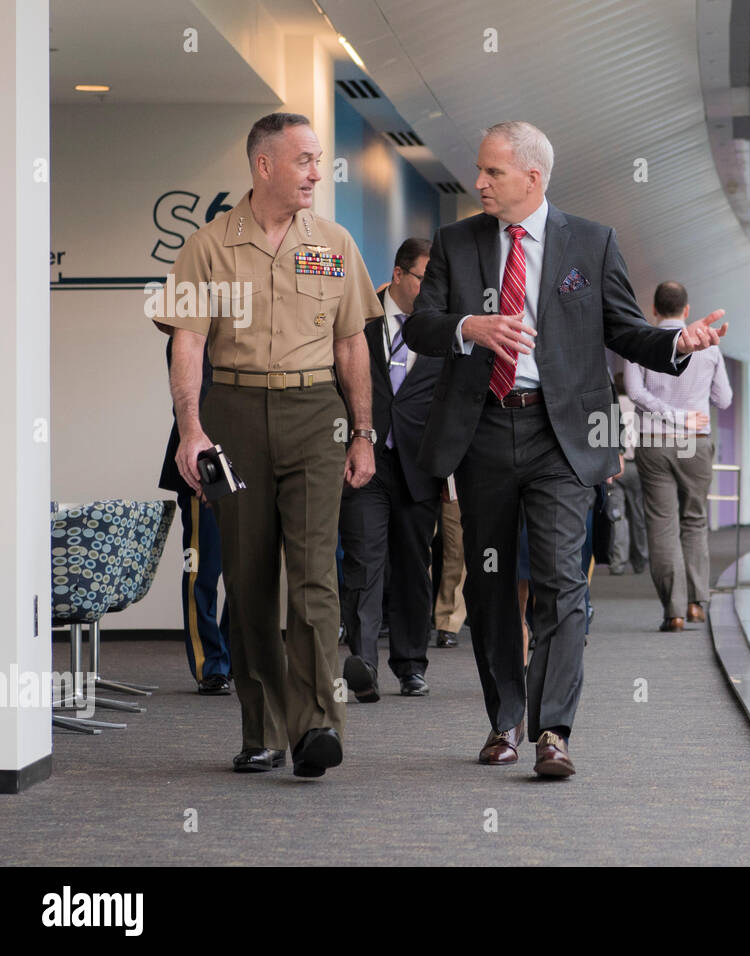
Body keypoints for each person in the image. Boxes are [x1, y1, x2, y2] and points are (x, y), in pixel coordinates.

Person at [402, 120, 727, 778]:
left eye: (493, 171)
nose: (480, 182)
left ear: (533, 177)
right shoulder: (456, 242)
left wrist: (675, 346)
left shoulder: (592, 242)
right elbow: (421, 325)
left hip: (563, 439)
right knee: (491, 586)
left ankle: (552, 730)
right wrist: (471, 325)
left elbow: (626, 330)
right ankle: (503, 721)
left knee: (559, 584)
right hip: (483, 432)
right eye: (480, 170)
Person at [157, 112, 380, 777]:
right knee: (249, 579)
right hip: (233, 414)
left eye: (319, 160)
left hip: (316, 413)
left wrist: (363, 432)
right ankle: (262, 729)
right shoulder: (208, 247)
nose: (318, 171)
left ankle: (316, 726)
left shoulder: (335, 243)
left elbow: (351, 346)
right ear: (264, 166)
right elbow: (187, 342)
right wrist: (192, 428)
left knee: (315, 579)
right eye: (305, 160)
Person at [338, 237, 442, 702]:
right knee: (363, 558)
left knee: (413, 565)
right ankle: (363, 664)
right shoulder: (360, 319)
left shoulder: (441, 331)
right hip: (366, 458)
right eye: (424, 277)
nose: (431, 286)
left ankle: (411, 663)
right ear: (398, 275)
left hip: (419, 464)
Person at [625, 281, 732, 630]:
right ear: (686, 310)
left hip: (655, 441)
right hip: (694, 442)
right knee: (695, 520)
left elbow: (635, 392)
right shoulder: (706, 344)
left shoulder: (640, 341)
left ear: (654, 310)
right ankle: (697, 602)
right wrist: (691, 408)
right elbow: (725, 399)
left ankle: (673, 611)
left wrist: (670, 413)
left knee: (661, 524)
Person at [157, 338, 231, 695]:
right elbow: (190, 407)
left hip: (253, 461)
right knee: (202, 571)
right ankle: (210, 666)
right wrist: (206, 472)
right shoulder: (189, 333)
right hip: (205, 467)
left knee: (250, 571)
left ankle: (233, 655)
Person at [607, 383, 648, 575]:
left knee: (618, 516)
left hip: (616, 466)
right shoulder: (640, 407)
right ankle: (640, 561)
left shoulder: (612, 406)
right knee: (638, 515)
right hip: (637, 466)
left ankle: (618, 562)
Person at [432, 482, 467, 647]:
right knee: (416, 547)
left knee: (456, 552)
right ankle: (415, 617)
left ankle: (448, 622)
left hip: (456, 473)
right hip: (418, 468)